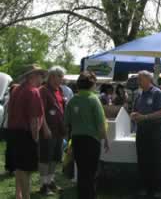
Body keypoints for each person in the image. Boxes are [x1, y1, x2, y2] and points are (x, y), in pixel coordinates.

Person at [64, 71, 109, 199]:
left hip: (77, 140)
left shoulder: (72, 100)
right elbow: (101, 123)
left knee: (82, 172)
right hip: (91, 141)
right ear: (92, 84)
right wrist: (105, 139)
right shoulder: (94, 99)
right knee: (91, 173)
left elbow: (66, 122)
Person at [7, 65, 49, 199]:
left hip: (13, 133)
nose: (42, 78)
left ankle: (18, 194)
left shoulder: (16, 89)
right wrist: (35, 137)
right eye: (40, 75)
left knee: (19, 167)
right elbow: (34, 119)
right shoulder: (33, 91)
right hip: (26, 134)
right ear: (32, 76)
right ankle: (25, 196)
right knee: (26, 169)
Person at [130, 71, 161, 198]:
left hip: (155, 132)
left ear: (148, 79)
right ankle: (144, 187)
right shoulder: (139, 94)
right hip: (141, 132)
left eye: (140, 79)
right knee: (142, 160)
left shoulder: (157, 93)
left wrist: (144, 117)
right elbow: (135, 111)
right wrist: (133, 115)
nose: (138, 81)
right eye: (138, 79)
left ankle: (157, 189)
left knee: (156, 161)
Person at [38, 66, 67, 195]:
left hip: (59, 129)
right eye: (59, 76)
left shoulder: (59, 90)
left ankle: (50, 181)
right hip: (48, 129)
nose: (61, 79)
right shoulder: (43, 91)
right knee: (45, 157)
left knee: (55, 157)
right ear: (51, 77)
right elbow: (40, 112)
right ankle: (43, 185)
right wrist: (44, 127)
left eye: (62, 76)